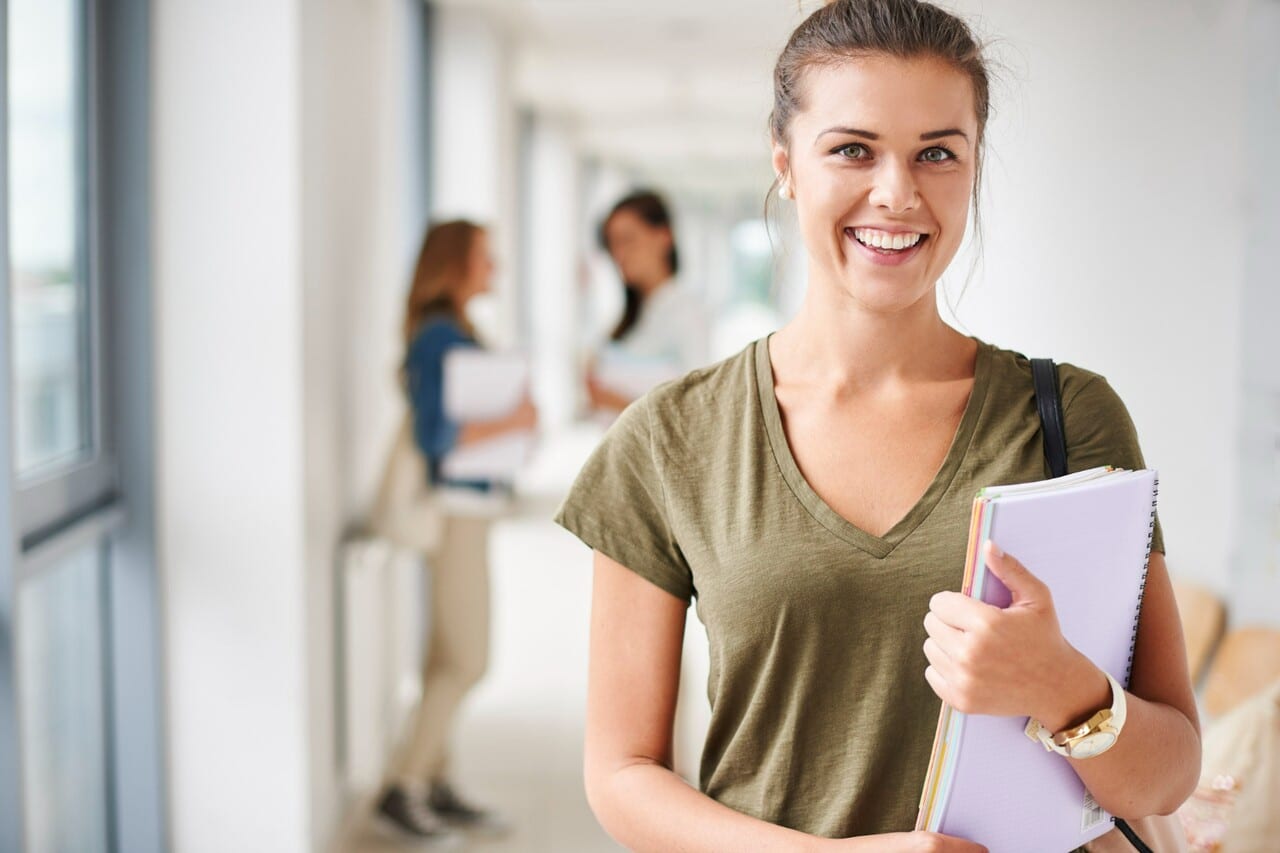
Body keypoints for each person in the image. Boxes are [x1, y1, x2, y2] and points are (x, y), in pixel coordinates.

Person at [554, 1, 1201, 850]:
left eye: (937, 153)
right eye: (853, 149)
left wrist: (1062, 684)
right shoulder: (671, 439)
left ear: (973, 168)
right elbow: (622, 775)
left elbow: (1170, 767)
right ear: (785, 164)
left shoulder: (1069, 417)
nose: (897, 194)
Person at [375, 220, 532, 842]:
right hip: (455, 511)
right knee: (468, 658)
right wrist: (511, 419)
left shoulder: (455, 329)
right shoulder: (441, 334)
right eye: (483, 257)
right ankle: (404, 785)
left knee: (446, 653)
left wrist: (517, 425)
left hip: (472, 506)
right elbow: (436, 437)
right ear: (455, 264)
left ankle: (433, 783)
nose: (493, 267)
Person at [586, 190, 709, 414]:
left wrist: (617, 401)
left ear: (664, 237)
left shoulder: (688, 313)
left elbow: (694, 413)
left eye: (627, 240)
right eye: (612, 244)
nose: (619, 253)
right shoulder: (629, 317)